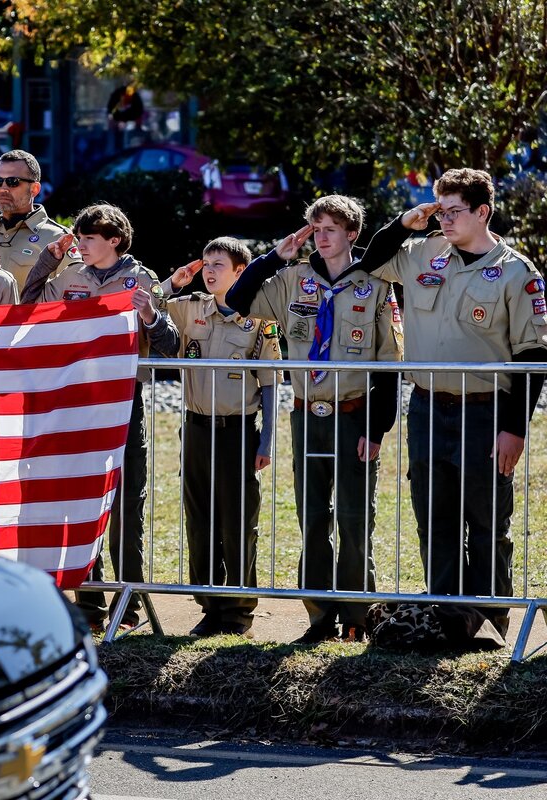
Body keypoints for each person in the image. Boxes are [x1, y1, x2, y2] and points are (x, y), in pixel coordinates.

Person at [359, 168, 547, 639]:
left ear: (482, 212)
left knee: (486, 516)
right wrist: (405, 222)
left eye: (454, 211)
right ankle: (448, 616)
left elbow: (533, 354)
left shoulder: (516, 272)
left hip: (486, 411)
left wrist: (515, 428)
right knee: (434, 514)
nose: (444, 219)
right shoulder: (423, 253)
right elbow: (369, 261)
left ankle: (489, 614)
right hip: (426, 407)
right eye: (440, 210)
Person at [223, 196, 405, 643]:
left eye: (331, 229)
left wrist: (376, 428)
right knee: (313, 517)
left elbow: (390, 361)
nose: (321, 237)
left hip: (355, 414)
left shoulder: (376, 283)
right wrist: (271, 258)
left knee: (355, 517)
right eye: (316, 228)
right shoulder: (293, 280)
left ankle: (358, 615)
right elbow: (235, 300)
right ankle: (319, 616)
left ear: (351, 234)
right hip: (308, 413)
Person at [21, 203, 180, 632]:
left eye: (89, 238)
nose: (82, 244)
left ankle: (127, 607)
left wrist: (151, 314)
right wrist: (48, 258)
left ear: (114, 240)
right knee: (80, 503)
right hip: (75, 405)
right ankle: (88, 608)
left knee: (127, 507)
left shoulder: (142, 279)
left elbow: (171, 346)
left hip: (124, 405)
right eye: (80, 237)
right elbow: (27, 306)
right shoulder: (69, 275)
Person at [164, 238, 281, 637]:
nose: (210, 271)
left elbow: (269, 383)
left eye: (219, 264)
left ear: (240, 272)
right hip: (196, 427)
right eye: (207, 264)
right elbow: (141, 306)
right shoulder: (190, 307)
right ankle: (210, 604)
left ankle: (237, 609)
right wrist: (172, 283)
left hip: (237, 432)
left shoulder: (259, 320)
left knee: (236, 522)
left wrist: (266, 442)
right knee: (200, 520)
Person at [0, 149, 82, 289]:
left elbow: (75, 294)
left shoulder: (57, 238)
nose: (3, 188)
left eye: (12, 182)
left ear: (34, 189)